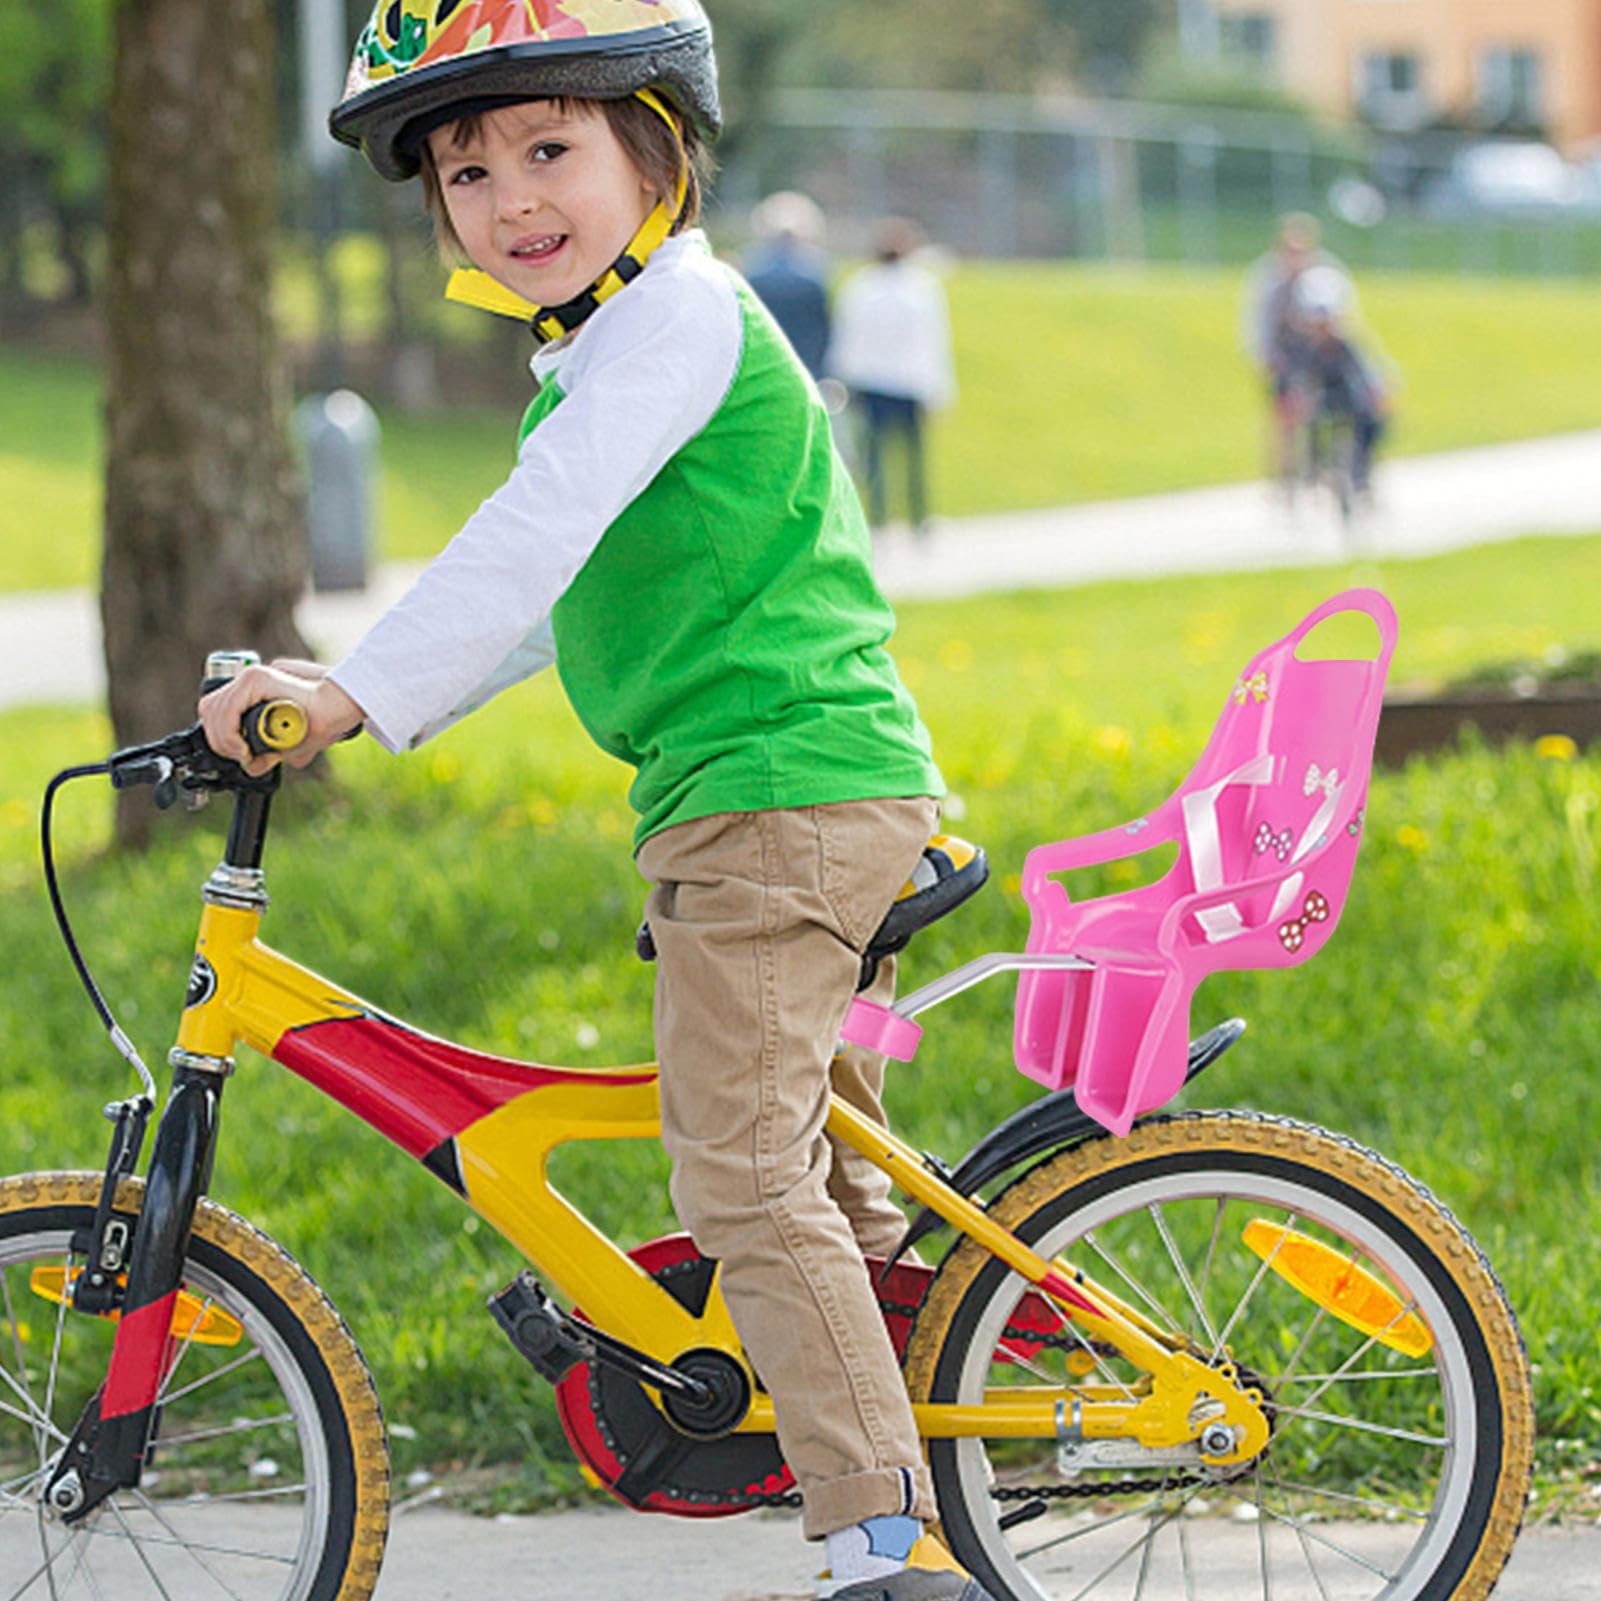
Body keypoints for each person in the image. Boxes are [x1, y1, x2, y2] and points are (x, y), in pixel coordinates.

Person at [198, 5, 988, 1599]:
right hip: (775, 790)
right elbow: (558, 602)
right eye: (469, 171)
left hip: (781, 797)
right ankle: (955, 1434)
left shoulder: (680, 318)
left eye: (549, 148)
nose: (511, 197)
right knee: (821, 1173)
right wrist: (358, 692)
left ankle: (884, 1540)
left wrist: (352, 691)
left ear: (659, 151)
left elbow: (533, 531)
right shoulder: (611, 350)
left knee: (741, 1175)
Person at [830, 218, 956, 541]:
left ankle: (881, 521)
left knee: (877, 460)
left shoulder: (860, 287)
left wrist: (844, 379)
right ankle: (917, 521)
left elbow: (847, 339)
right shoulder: (922, 288)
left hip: (873, 383)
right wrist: (939, 390)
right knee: (911, 459)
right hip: (909, 383)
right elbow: (934, 343)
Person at [1240, 213, 1349, 492]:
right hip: (1285, 354)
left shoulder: (1324, 275)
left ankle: (1328, 466)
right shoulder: (1268, 278)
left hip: (1317, 352)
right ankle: (1283, 477)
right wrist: (1265, 358)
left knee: (1333, 406)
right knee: (1284, 418)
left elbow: (1344, 316)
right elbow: (1260, 322)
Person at [1283, 265, 1391, 501]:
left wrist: (1377, 392)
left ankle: (1362, 473)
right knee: (1312, 422)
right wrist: (1298, 397)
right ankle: (1316, 470)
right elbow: (1298, 378)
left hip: (1347, 395)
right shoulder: (1306, 347)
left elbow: (1367, 371)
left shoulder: (1347, 343)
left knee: (1369, 421)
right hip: (1323, 397)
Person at [744, 189, 833, 381]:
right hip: (806, 363)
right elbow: (823, 328)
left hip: (765, 363)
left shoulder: (753, 271)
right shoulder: (813, 273)